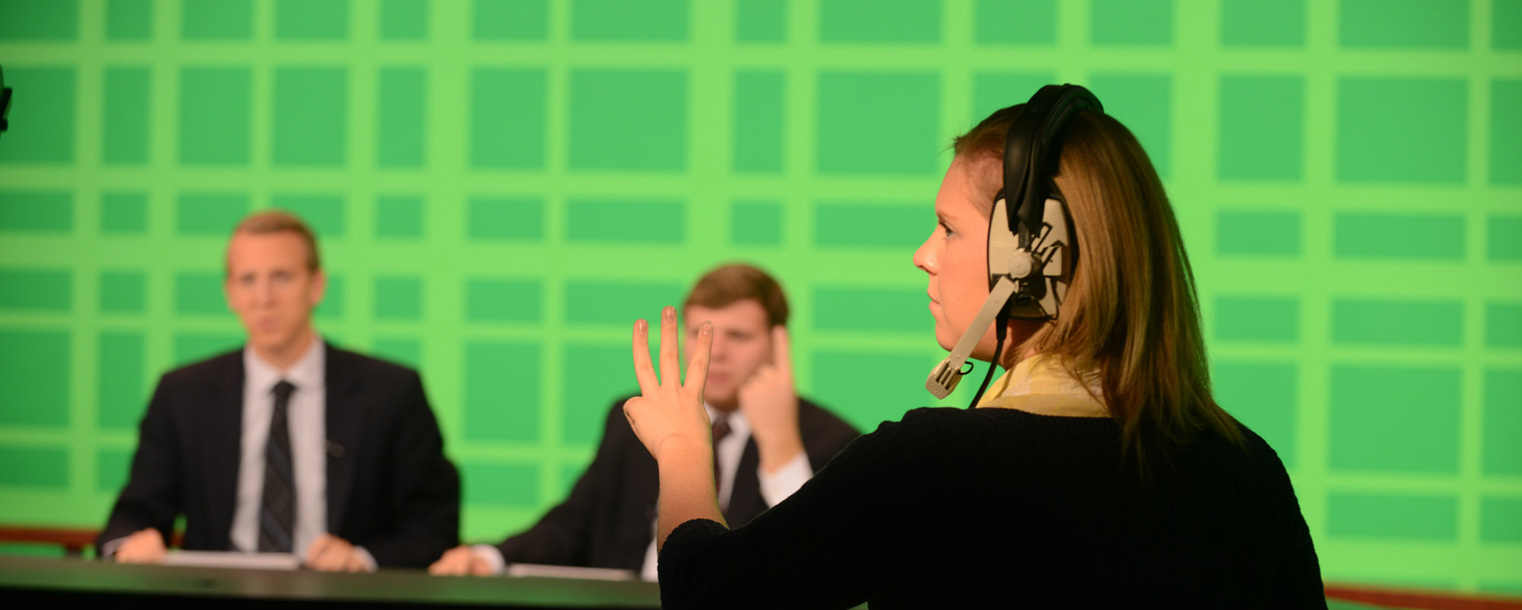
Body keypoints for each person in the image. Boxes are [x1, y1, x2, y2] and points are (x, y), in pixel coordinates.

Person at [621, 86, 1325, 608]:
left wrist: (683, 449)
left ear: (1029, 262)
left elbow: (711, 597)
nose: (924, 256)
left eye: (949, 229)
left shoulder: (937, 461)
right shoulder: (1249, 471)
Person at [428, 264, 860, 580]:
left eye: (739, 336)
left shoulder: (829, 439)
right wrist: (491, 556)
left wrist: (781, 449)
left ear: (776, 344)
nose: (717, 353)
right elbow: (574, 524)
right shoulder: (637, 417)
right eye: (701, 333)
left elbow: (815, 563)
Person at [97, 210, 460, 571]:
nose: (264, 298)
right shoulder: (183, 395)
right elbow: (131, 516)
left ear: (316, 285)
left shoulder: (390, 392)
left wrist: (361, 560)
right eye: (248, 280)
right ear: (230, 293)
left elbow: (434, 530)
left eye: (282, 277)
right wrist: (129, 547)